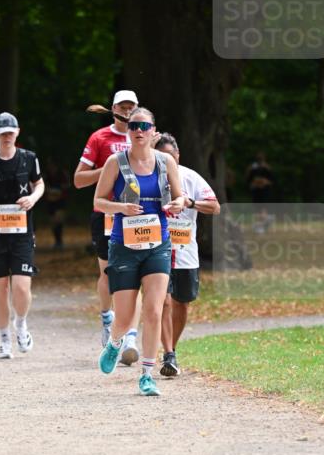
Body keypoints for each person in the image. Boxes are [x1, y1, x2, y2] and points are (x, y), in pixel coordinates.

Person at [94, 107, 184, 397]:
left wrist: (177, 204)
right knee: (124, 315)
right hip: (124, 245)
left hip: (157, 242)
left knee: (154, 310)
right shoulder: (114, 162)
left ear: (153, 131)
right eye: (134, 125)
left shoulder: (165, 161)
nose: (139, 130)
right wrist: (120, 207)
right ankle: (116, 342)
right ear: (128, 130)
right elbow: (98, 201)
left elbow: (180, 196)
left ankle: (147, 374)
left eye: (145, 125)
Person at [74, 90, 142, 361]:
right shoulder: (100, 138)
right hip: (106, 214)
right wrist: (112, 167)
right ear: (113, 108)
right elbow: (78, 180)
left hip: (139, 212)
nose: (126, 111)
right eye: (122, 106)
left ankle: (131, 336)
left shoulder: (143, 135)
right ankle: (107, 318)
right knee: (109, 272)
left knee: (135, 275)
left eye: (131, 107)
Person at [0, 112, 44, 358]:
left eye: (10, 132)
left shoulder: (29, 159)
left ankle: (21, 323)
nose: (6, 136)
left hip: (22, 232)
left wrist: (33, 198)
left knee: (21, 286)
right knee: (0, 287)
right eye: (2, 132)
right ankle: (4, 337)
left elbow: (39, 184)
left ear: (17, 133)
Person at [154, 133, 220, 377]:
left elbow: (215, 207)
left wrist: (190, 203)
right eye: (162, 157)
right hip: (157, 250)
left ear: (178, 156)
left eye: (171, 156)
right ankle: (168, 353)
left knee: (182, 303)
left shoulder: (191, 177)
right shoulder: (150, 177)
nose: (167, 161)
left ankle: (172, 349)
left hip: (185, 253)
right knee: (164, 301)